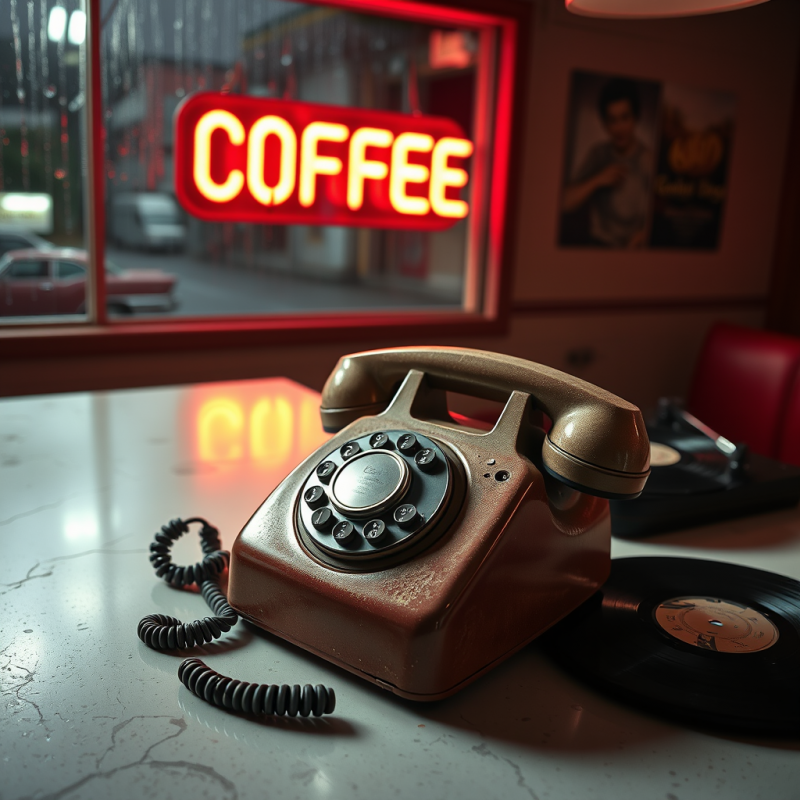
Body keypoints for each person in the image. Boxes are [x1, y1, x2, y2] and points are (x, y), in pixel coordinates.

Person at [561, 78, 652, 248]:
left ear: (636, 118)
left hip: (634, 251)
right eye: (612, 120)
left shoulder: (648, 160)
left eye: (625, 118)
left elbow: (663, 217)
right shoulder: (598, 154)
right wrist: (597, 180)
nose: (619, 128)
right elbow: (564, 203)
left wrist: (643, 236)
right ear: (604, 123)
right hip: (598, 246)